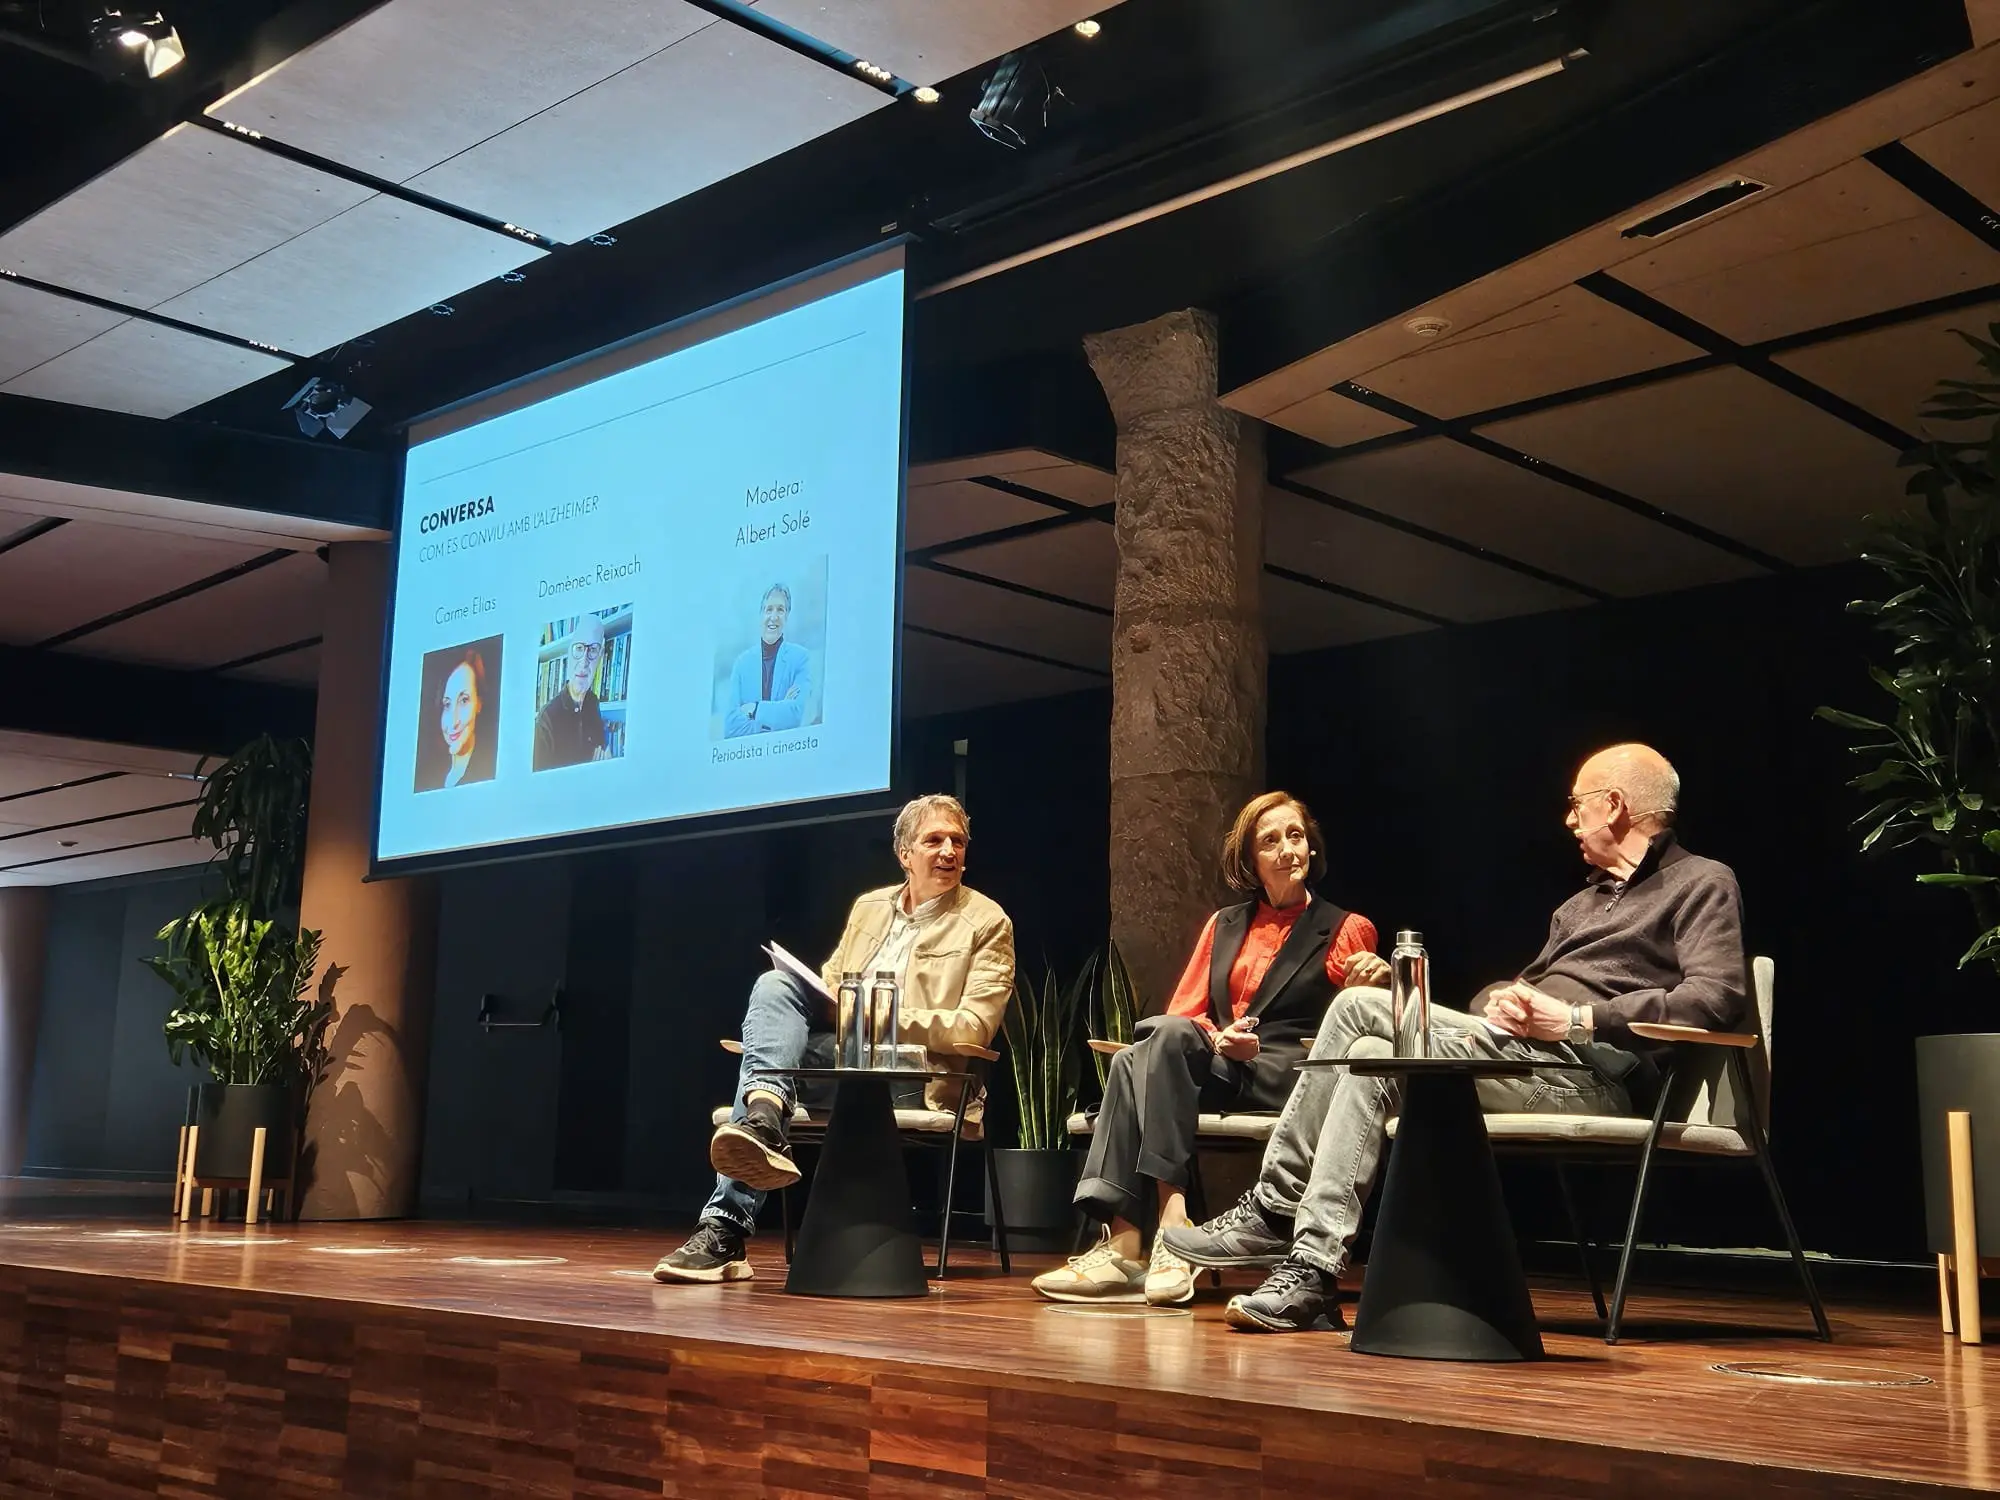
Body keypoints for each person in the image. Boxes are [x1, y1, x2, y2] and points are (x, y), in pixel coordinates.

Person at [1163, 743, 1747, 1334]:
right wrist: (1503, 998)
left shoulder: (1700, 882)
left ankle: (1271, 1207)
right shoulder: (1580, 906)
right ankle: (1312, 1271)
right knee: (1368, 1055)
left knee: (1359, 1007)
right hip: (1520, 1059)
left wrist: (1574, 1021)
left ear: (1615, 805)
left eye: (1578, 806)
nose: (1570, 821)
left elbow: (1717, 997)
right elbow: (1521, 993)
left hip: (1591, 1075)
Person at [1032, 792, 1383, 1306]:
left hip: (1292, 1074)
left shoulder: (1345, 927)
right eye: (1271, 841)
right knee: (1142, 1052)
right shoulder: (1224, 925)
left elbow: (1356, 1021)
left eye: (1296, 836)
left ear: (1311, 848)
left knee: (1143, 1055)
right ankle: (1141, 1242)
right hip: (1222, 1067)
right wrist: (1220, 1040)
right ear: (1250, 862)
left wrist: (1371, 980)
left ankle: (1154, 1236)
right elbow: (1183, 1013)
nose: (1288, 849)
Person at [653, 794, 1015, 1284]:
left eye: (958, 841)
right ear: (905, 853)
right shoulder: (869, 907)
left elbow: (974, 1027)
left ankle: (725, 1227)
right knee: (775, 986)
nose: (949, 850)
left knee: (769, 1068)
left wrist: (875, 1016)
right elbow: (827, 987)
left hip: (917, 1073)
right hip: (841, 1059)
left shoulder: (986, 921)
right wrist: (822, 1000)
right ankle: (762, 1118)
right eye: (934, 840)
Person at [725, 583, 813, 737]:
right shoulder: (742, 663)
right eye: (769, 609)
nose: (774, 617)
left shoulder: (800, 658)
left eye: (780, 610)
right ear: (761, 614)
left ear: (787, 615)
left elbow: (797, 716)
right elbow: (731, 727)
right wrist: (779, 714)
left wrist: (755, 709)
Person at [533, 612, 607, 770]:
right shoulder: (547, 718)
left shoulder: (593, 702)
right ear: (570, 653)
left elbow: (601, 752)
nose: (584, 662)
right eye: (579, 648)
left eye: (593, 650)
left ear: (600, 657)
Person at [416, 646, 495, 792]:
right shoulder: (427, 773)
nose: (454, 721)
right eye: (447, 704)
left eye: (464, 700)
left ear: (479, 704)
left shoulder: (492, 766)